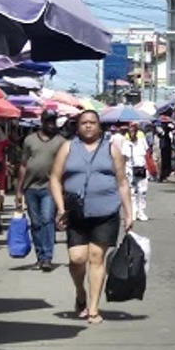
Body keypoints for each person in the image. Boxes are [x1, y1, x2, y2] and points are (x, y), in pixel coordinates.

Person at [56, 108, 134, 323]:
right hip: (76, 212)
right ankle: (80, 293)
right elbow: (54, 178)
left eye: (92, 122)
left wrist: (129, 213)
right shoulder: (67, 147)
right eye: (84, 123)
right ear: (78, 127)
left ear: (99, 126)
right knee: (77, 258)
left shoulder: (111, 149)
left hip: (106, 211)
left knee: (96, 258)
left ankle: (93, 309)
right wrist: (61, 207)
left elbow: (122, 182)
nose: (88, 126)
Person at [18, 109, 64, 273]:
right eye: (48, 121)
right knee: (36, 223)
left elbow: (64, 167)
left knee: (47, 220)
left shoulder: (60, 142)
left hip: (49, 188)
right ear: (42, 122)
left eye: (54, 121)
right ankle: (39, 256)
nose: (51, 125)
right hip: (30, 188)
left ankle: (47, 257)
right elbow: (23, 165)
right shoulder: (29, 140)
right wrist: (19, 190)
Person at [118, 123, 152, 223]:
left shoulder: (142, 141)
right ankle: (132, 212)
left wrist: (149, 167)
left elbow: (147, 154)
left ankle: (141, 212)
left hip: (141, 168)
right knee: (132, 192)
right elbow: (123, 157)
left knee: (142, 191)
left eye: (134, 131)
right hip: (130, 169)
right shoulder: (126, 143)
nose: (132, 133)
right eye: (130, 131)